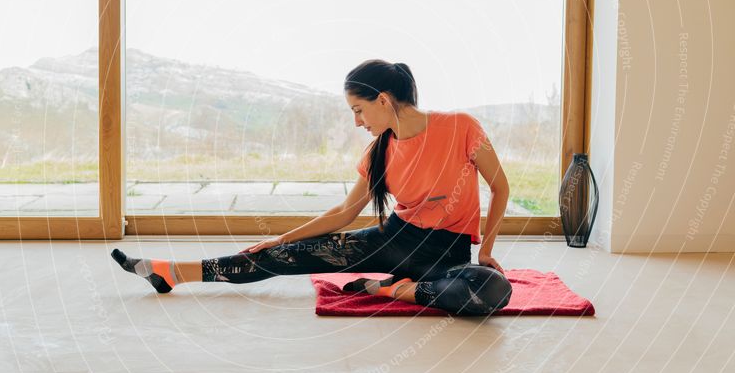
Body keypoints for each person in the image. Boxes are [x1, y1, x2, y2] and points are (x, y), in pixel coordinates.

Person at [111, 59, 513, 316]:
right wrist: (281, 238)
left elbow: (500, 187)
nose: (357, 121)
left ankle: (389, 290)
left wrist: (489, 249)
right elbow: (344, 213)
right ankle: (171, 273)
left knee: (491, 290)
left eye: (358, 110)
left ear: (384, 100)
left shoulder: (461, 127)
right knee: (281, 257)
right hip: (393, 239)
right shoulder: (380, 151)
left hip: (447, 252)